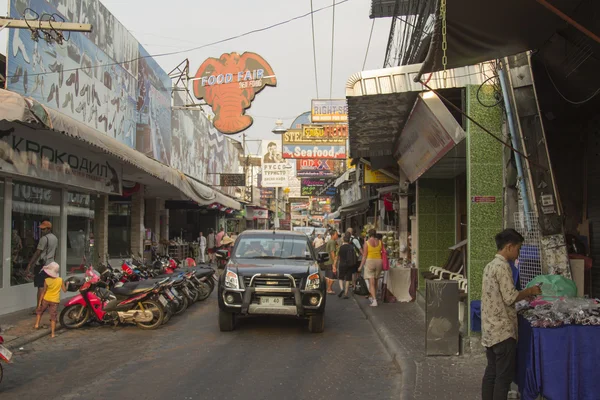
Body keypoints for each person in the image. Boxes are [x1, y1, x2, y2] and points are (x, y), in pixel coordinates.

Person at [481, 229, 542, 400]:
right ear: (509, 247)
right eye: (518, 248)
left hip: (490, 330)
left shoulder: (490, 266)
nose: (519, 253)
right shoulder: (502, 267)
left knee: (491, 373)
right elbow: (510, 297)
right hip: (503, 332)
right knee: (503, 378)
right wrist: (529, 290)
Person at [26, 221, 58, 310]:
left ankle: (39, 307)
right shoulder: (55, 238)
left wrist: (30, 264)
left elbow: (38, 252)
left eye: (44, 229)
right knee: (47, 286)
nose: (42, 231)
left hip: (42, 265)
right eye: (41, 229)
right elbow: (55, 252)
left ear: (49, 229)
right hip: (51, 264)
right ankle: (45, 306)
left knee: (40, 287)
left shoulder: (44, 239)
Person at [34, 262, 67, 338]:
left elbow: (43, 292)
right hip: (55, 301)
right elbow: (65, 290)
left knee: (40, 311)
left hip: (46, 299)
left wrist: (39, 303)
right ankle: (52, 334)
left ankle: (36, 324)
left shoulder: (46, 280)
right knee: (53, 317)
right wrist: (67, 284)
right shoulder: (60, 280)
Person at [358, 229, 383, 307]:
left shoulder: (367, 243)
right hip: (379, 261)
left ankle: (374, 300)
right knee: (376, 281)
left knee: (371, 282)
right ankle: (373, 296)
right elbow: (383, 252)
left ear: (369, 234)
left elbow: (364, 256)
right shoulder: (380, 242)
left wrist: (360, 266)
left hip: (370, 262)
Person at [335, 233, 358, 299]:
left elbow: (337, 256)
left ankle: (342, 288)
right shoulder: (352, 247)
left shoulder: (340, 247)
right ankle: (346, 293)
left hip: (342, 264)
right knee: (348, 279)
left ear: (343, 240)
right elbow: (356, 255)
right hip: (350, 264)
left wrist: (335, 264)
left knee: (341, 278)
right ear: (349, 241)